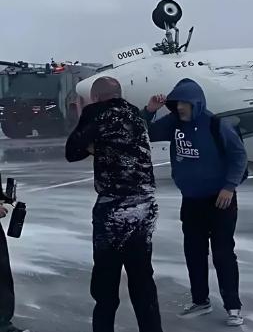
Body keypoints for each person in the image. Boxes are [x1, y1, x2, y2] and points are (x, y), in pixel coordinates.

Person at [141, 78, 246, 326]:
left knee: (223, 253)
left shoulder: (216, 125)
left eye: (184, 104)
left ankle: (233, 306)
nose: (179, 108)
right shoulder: (174, 123)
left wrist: (229, 187)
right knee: (194, 253)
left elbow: (239, 155)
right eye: (176, 103)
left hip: (221, 200)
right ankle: (200, 300)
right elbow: (145, 132)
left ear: (196, 103)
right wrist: (149, 111)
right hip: (191, 200)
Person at [65, 76, 163, 332]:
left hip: (113, 208)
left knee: (105, 285)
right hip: (144, 205)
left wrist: (83, 120)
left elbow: (71, 152)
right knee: (142, 280)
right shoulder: (134, 115)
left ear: (95, 97)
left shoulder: (96, 113)